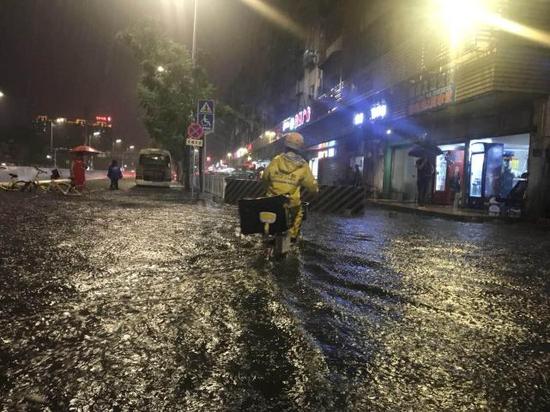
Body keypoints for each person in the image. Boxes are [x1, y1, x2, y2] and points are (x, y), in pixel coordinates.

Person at [262, 132, 319, 241]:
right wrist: (315, 193)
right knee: (299, 211)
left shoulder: (276, 160)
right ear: (300, 148)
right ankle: (292, 238)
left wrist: (267, 190)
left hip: (272, 203)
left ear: (285, 146)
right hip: (290, 205)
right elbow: (312, 186)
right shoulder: (303, 165)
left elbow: (265, 178)